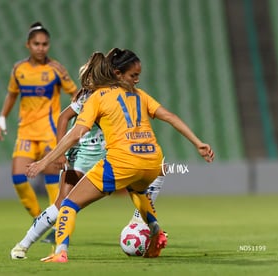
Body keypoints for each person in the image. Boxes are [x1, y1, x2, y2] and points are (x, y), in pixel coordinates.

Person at [26, 48, 215, 263]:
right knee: (139, 194)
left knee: (69, 204)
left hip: (122, 162)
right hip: (152, 162)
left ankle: (60, 252)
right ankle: (156, 232)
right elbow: (169, 116)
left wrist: (44, 162)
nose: (137, 79)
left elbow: (76, 134)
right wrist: (198, 143)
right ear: (118, 74)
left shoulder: (97, 98)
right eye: (134, 75)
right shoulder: (141, 96)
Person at [10, 50, 166, 259]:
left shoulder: (121, 92)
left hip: (109, 155)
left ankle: (144, 224)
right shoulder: (88, 95)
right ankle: (24, 244)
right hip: (81, 155)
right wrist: (58, 153)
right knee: (61, 205)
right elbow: (64, 118)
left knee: (147, 178)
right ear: (115, 73)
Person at [0, 22, 77, 219]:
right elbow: (12, 95)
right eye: (36, 44)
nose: (41, 48)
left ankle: (53, 225)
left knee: (52, 183)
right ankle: (38, 220)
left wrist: (77, 121)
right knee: (18, 179)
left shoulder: (56, 69)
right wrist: (2, 118)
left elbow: (75, 94)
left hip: (49, 133)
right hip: (26, 132)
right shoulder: (19, 69)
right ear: (28, 45)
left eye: (45, 44)